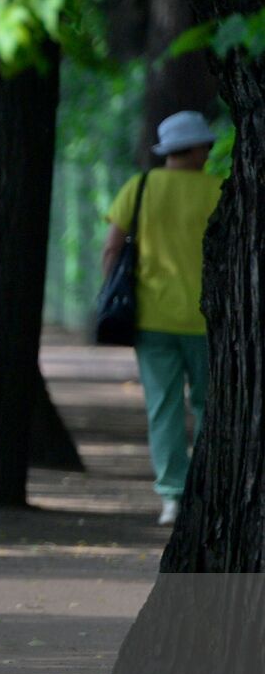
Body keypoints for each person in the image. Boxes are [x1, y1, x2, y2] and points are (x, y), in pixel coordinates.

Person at [100, 110, 223, 527]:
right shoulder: (219, 190)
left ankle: (173, 496)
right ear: (196, 149)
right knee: (212, 407)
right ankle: (214, 489)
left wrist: (113, 293)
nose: (208, 151)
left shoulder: (141, 187)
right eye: (206, 145)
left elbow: (111, 249)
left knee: (164, 408)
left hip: (151, 319)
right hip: (210, 321)